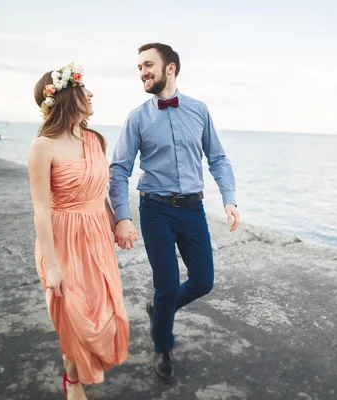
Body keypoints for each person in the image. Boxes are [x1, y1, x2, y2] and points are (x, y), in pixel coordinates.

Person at [109, 43, 240, 383]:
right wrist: (122, 216)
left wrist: (229, 198)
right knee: (166, 284)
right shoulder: (137, 117)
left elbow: (218, 158)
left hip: (193, 209)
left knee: (203, 281)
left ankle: (159, 311)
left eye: (148, 65)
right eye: (138, 67)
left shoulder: (199, 110)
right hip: (154, 210)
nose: (142, 72)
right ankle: (162, 344)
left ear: (170, 68)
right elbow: (119, 169)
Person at [28, 63, 129, 399]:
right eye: (84, 89)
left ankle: (75, 370)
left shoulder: (94, 139)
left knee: (103, 317)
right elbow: (41, 207)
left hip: (96, 236)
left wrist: (118, 221)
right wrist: (53, 265)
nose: (91, 93)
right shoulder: (42, 147)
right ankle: (73, 382)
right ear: (68, 96)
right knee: (74, 317)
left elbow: (99, 192)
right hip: (62, 239)